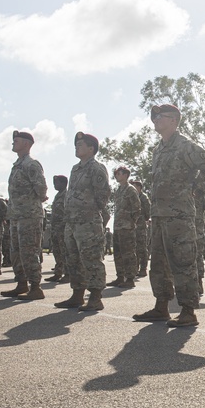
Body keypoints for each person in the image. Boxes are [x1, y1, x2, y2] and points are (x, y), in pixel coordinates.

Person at [133, 104, 205, 327]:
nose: (155, 120)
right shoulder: (158, 150)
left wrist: (194, 189)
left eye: (160, 116)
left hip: (179, 214)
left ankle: (188, 311)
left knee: (183, 262)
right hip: (160, 214)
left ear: (174, 120)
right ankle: (161, 306)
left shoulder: (186, 146)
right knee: (159, 263)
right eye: (154, 117)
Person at [55, 132, 111, 312]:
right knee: (73, 259)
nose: (77, 147)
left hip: (88, 222)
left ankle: (95, 297)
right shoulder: (75, 169)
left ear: (91, 149)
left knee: (92, 259)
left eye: (81, 144)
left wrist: (89, 211)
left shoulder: (97, 168)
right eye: (76, 144)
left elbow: (102, 196)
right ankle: (77, 294)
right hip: (72, 222)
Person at [1, 130, 48, 300]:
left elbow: (41, 188)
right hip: (16, 215)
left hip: (29, 215)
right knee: (16, 251)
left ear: (27, 144)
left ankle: (35, 287)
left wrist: (33, 201)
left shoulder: (31, 164)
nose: (13, 142)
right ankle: (21, 283)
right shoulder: (17, 165)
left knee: (29, 251)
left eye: (17, 140)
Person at [109, 166, 141, 289]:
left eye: (119, 173)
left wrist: (131, 223)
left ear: (126, 175)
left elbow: (137, 209)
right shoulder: (119, 190)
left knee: (128, 254)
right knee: (118, 253)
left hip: (127, 227)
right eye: (116, 173)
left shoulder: (131, 190)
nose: (117, 175)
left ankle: (130, 278)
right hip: (117, 226)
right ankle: (120, 277)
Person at [45, 175, 68, 283]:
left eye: (57, 183)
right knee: (57, 252)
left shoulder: (66, 195)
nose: (55, 185)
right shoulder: (58, 195)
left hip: (63, 228)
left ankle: (68, 274)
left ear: (64, 183)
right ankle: (58, 273)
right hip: (55, 228)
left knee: (65, 252)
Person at [131, 180, 151, 278]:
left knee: (142, 247)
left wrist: (144, 219)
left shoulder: (143, 197)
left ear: (139, 187)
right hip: (133, 225)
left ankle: (143, 269)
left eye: (134, 186)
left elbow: (148, 211)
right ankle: (135, 268)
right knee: (134, 248)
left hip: (141, 225)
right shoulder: (133, 196)